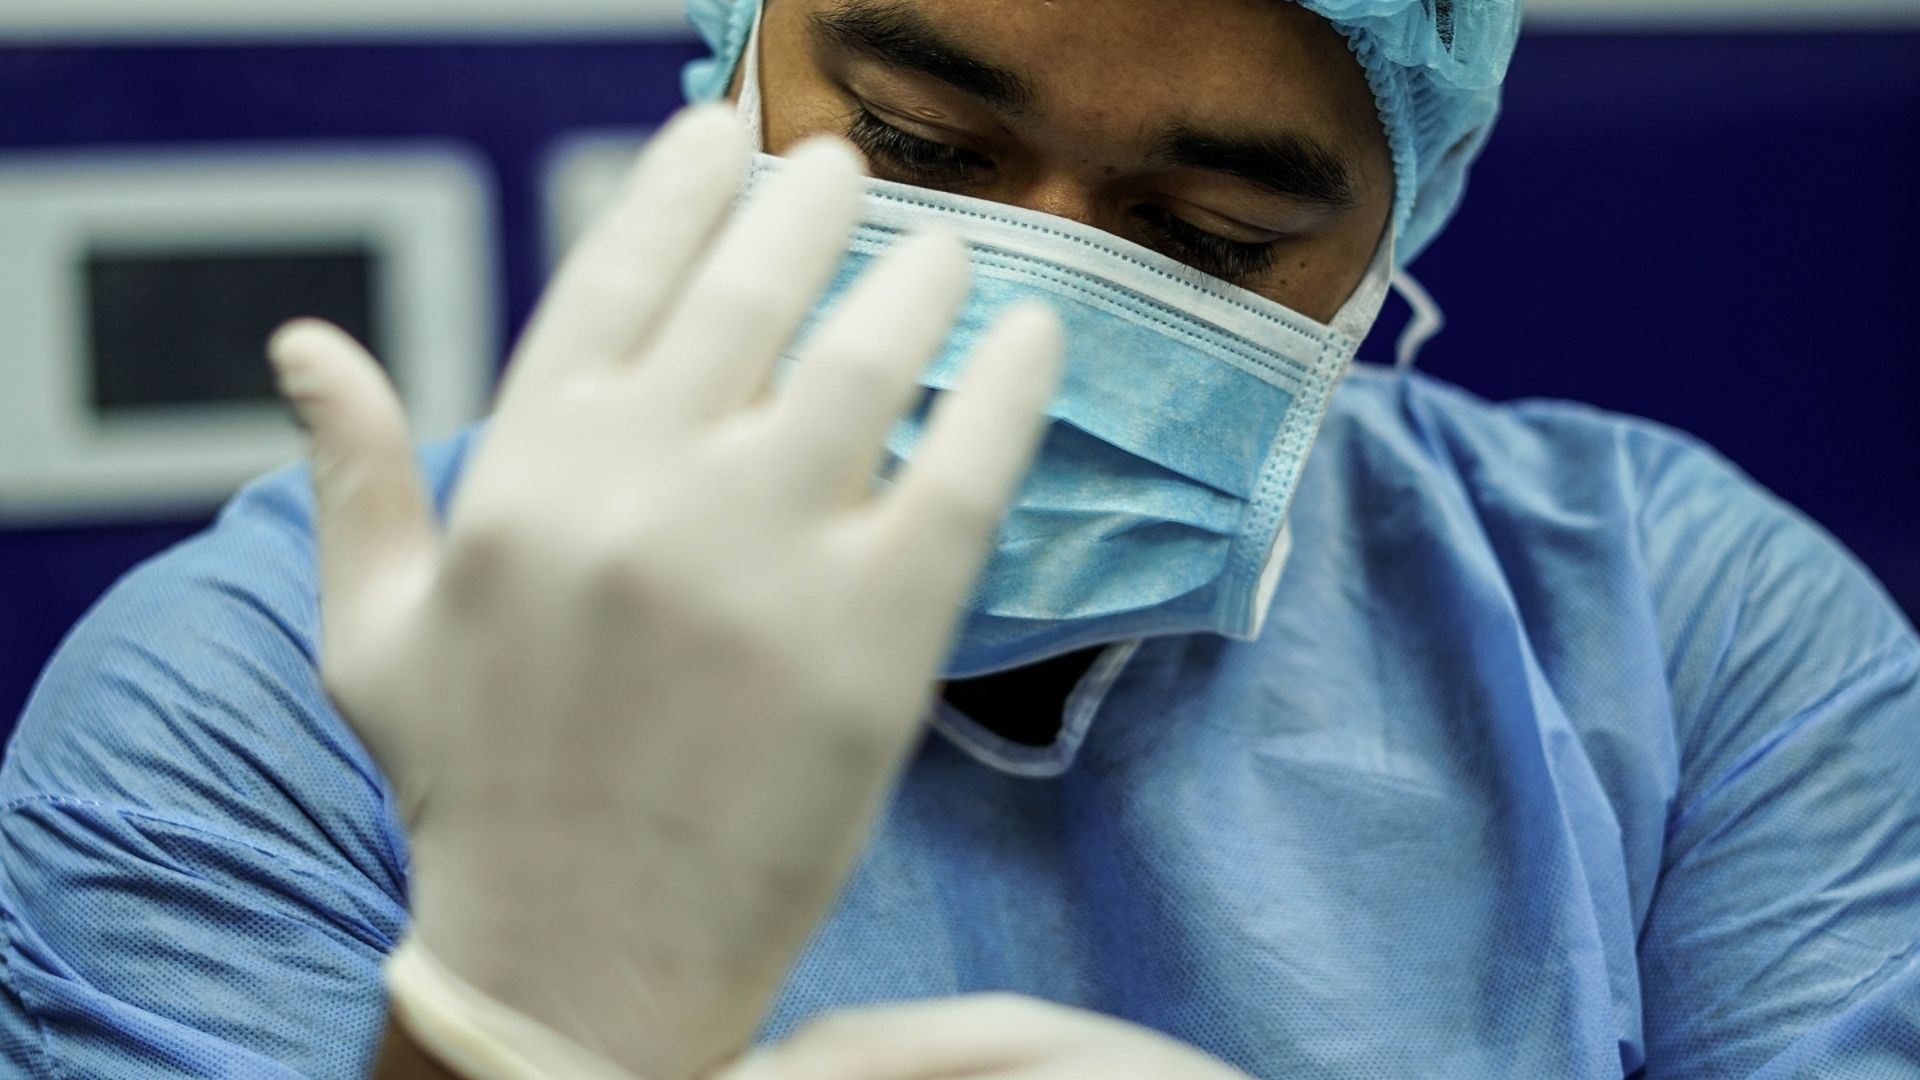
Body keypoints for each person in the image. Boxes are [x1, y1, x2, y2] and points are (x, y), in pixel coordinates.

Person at [3, 0, 1917, 1076]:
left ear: (1386, 246)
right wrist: (501, 1038)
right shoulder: (259, 704)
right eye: (916, 148)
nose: (1034, 316)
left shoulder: (1681, 635)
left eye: (1211, 247)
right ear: (734, 58)